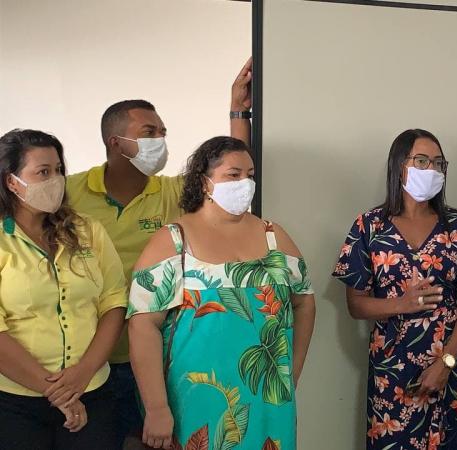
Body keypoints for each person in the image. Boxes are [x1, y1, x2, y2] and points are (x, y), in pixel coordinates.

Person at [65, 57, 254, 447]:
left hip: (153, 352)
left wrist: (238, 110)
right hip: (91, 359)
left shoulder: (170, 193)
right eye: (149, 132)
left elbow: (229, 173)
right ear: (116, 142)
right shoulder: (71, 192)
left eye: (163, 132)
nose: (160, 140)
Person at [127, 136, 316, 449]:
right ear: (204, 182)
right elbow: (142, 325)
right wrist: (157, 407)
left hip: (268, 403)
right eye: (233, 174)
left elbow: (305, 303)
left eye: (250, 175)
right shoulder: (174, 241)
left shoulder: (274, 236)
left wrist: (290, 374)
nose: (245, 183)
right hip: (198, 398)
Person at [333, 129, 457, 449]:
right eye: (421, 161)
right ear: (399, 165)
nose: (431, 169)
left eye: (438, 163)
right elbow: (355, 304)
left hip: (448, 370)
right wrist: (401, 304)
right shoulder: (369, 226)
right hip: (392, 373)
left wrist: (445, 363)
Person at [0, 129, 127, 448]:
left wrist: (84, 372)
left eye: (59, 170)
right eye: (43, 172)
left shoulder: (88, 231)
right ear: (12, 181)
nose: (55, 180)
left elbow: (114, 302)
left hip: (92, 389)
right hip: (15, 403)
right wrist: (58, 393)